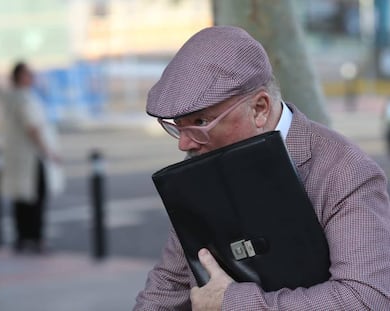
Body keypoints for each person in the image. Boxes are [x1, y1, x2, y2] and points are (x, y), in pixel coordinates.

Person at [134, 26, 390, 310]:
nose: (184, 144)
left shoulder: (345, 170)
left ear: (259, 109)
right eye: (177, 126)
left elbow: (367, 299)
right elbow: (166, 286)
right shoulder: (201, 165)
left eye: (200, 122)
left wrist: (231, 303)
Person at [0, 61, 65, 253]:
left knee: (21, 199)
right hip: (31, 157)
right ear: (20, 77)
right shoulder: (25, 99)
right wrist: (49, 152)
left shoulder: (9, 97)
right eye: (29, 74)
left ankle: (22, 237)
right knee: (36, 198)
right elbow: (33, 128)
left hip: (16, 156)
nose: (32, 77)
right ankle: (36, 239)